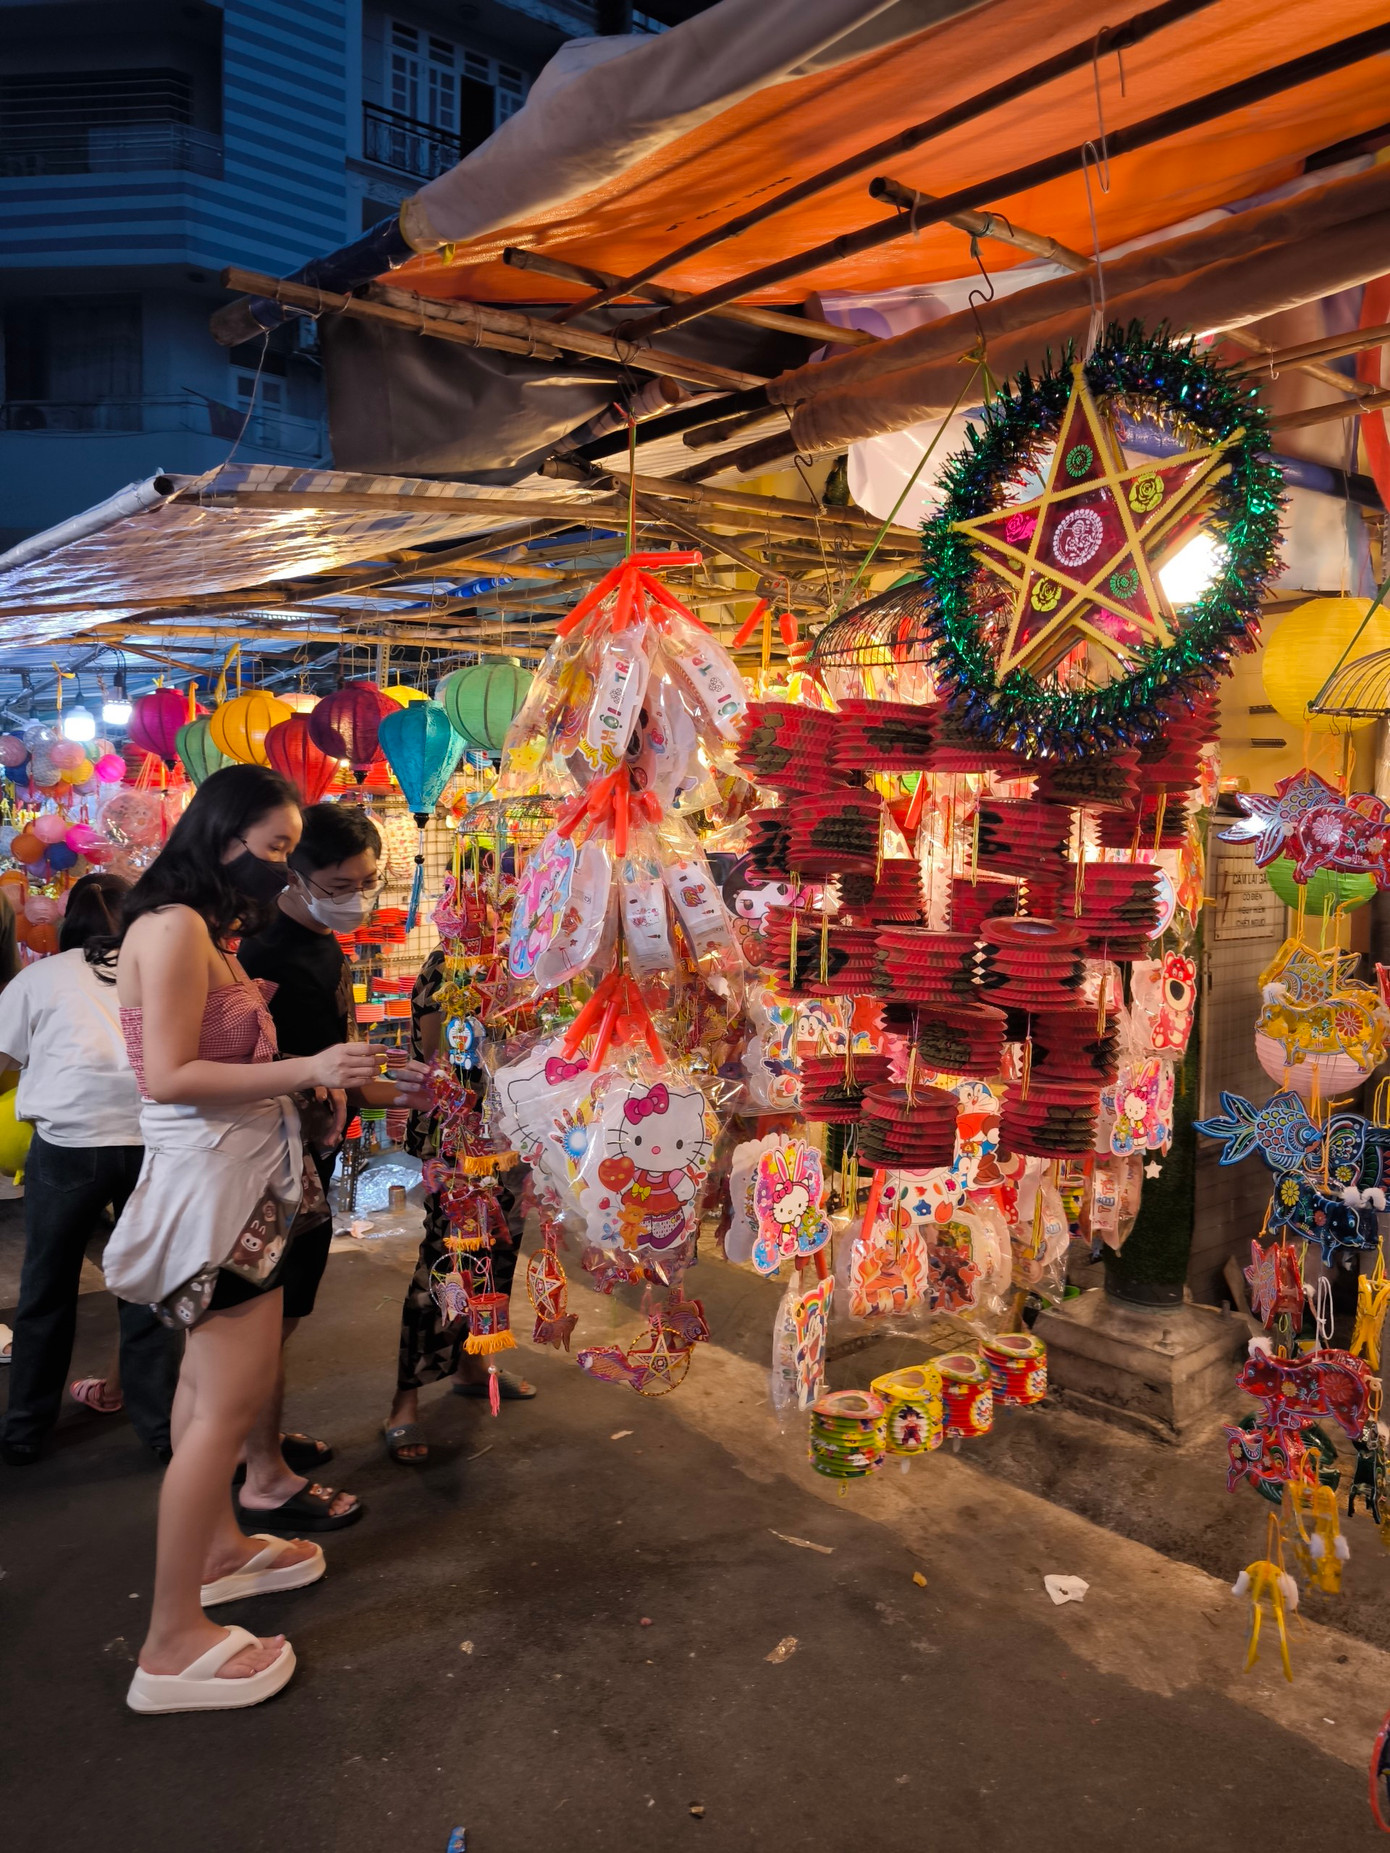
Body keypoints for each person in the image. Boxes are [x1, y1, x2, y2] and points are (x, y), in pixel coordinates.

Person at [102, 764, 426, 1714]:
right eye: (276, 846)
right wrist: (308, 1066)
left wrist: (315, 1082)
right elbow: (168, 1075)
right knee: (220, 1410)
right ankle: (171, 1641)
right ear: (223, 833)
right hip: (217, 1193)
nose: (281, 865)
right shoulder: (173, 928)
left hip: (241, 1182)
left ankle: (218, 1552)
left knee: (209, 1397)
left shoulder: (197, 928)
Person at [236, 801, 389, 1528]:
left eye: (367, 882)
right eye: (338, 886)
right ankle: (262, 1472)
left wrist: (386, 1085)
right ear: (290, 871)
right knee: (262, 1317)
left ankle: (256, 1443)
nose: (355, 899)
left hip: (311, 1155)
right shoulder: (253, 952)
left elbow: (336, 1054)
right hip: (268, 1161)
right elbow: (215, 1068)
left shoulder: (322, 942)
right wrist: (315, 1075)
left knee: (285, 1310)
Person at [0, 873, 180, 1467]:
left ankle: (26, 1428)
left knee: (47, 1289)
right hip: (155, 1142)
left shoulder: (40, 978)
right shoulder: (165, 972)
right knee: (148, 1288)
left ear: (68, 923)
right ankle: (162, 1430)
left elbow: (1, 1058)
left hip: (68, 1145)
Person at [382, 944, 534, 1466]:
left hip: (513, 1132)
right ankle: (404, 1401)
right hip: (459, 1137)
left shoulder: (535, 953)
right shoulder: (454, 961)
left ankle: (472, 1365)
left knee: (499, 1253)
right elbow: (438, 1059)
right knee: (444, 1262)